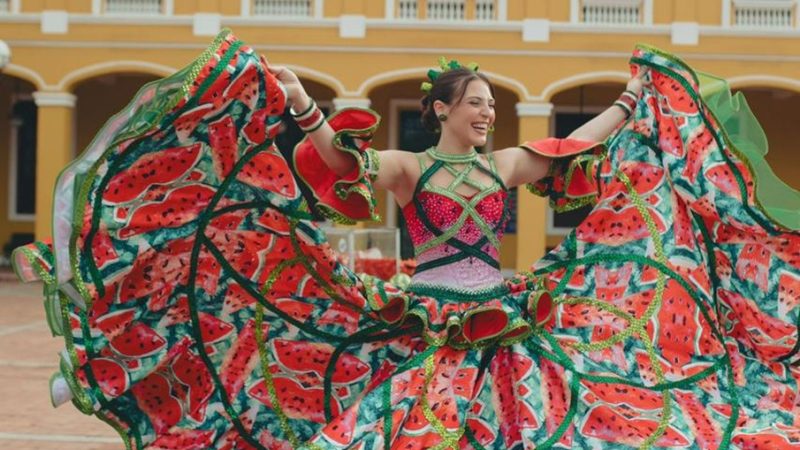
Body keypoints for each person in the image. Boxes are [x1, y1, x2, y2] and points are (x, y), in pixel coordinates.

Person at [13, 30, 800, 449]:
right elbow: (336, 161)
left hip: (502, 314)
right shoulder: (405, 166)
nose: (490, 112)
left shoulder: (503, 166)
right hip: (423, 316)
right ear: (448, 109)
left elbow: (573, 147)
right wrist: (299, 105)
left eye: (493, 103)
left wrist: (633, 99)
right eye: (480, 103)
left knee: (518, 420)